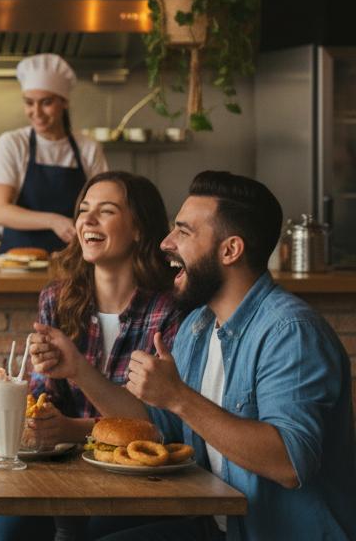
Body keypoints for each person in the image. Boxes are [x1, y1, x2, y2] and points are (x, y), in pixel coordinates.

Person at [31, 171, 356, 541]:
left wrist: (179, 397)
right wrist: (77, 369)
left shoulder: (290, 332)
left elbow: (289, 464)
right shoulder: (199, 326)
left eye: (184, 233)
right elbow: (155, 426)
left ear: (230, 250)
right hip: (214, 525)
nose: (167, 242)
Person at [0, 171, 181, 541]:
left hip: (138, 483)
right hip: (58, 472)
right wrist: (38, 418)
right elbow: (42, 397)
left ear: (139, 229)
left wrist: (75, 404)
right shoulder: (56, 299)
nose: (87, 220)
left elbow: (158, 426)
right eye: (84, 210)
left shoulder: (168, 310)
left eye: (105, 211)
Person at [0, 53, 108, 253]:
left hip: (75, 260)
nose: (37, 112)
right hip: (19, 261)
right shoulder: (13, 143)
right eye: (29, 102)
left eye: (46, 102)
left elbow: (103, 206)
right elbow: (1, 212)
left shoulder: (88, 147)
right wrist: (53, 221)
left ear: (64, 102)